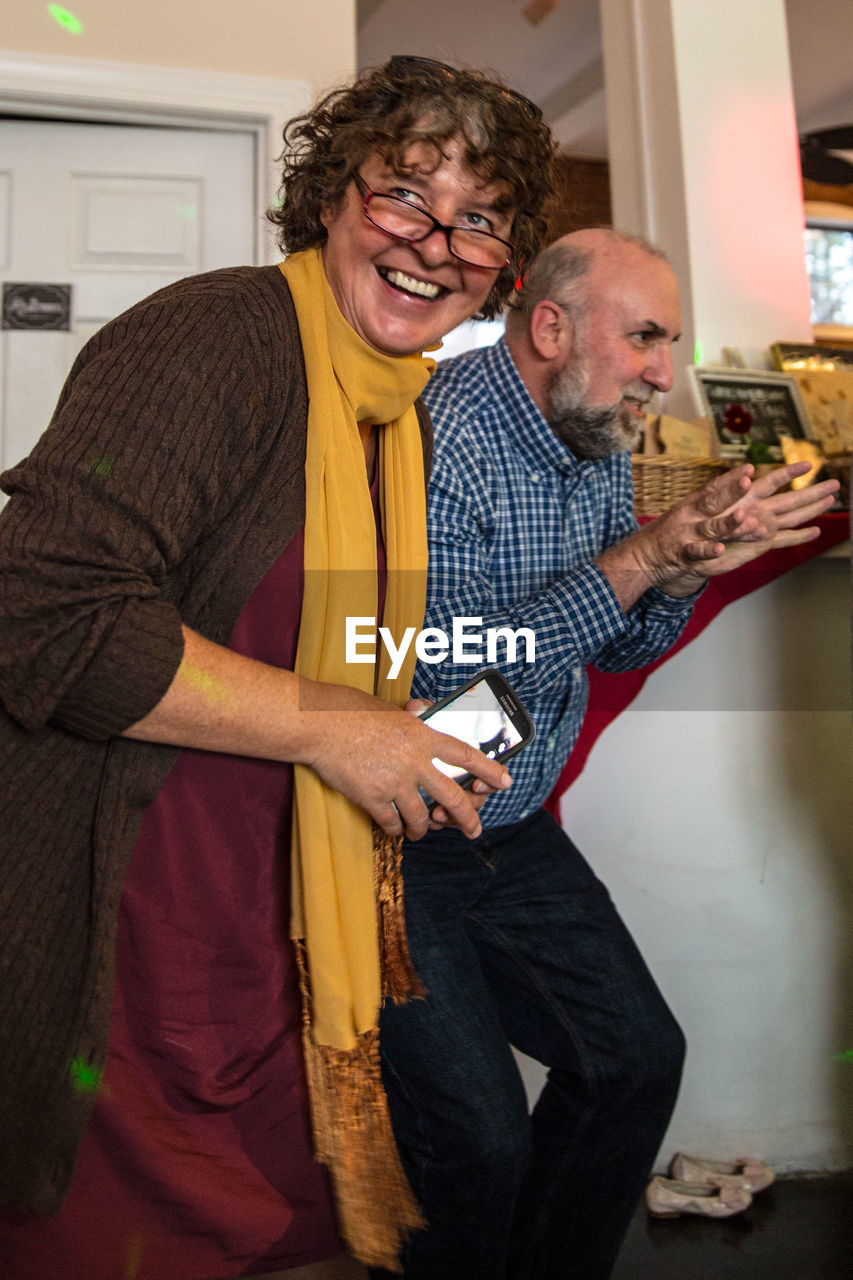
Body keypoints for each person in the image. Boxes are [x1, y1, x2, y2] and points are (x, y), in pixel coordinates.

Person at [0, 58, 557, 1280]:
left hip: (268, 940)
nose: (436, 241)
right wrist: (335, 729)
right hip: (130, 936)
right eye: (404, 193)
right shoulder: (221, 334)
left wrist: (389, 722)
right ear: (328, 197)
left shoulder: (391, 408)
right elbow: (39, 605)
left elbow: (282, 637)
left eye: (479, 218)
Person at [370, 227, 840, 1280]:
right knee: (477, 1140)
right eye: (643, 337)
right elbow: (445, 680)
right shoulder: (432, 437)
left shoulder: (599, 436)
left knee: (634, 1060)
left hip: (514, 825)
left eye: (668, 343)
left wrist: (679, 569)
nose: (661, 374)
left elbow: (610, 637)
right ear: (549, 325)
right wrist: (638, 555)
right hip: (398, 831)